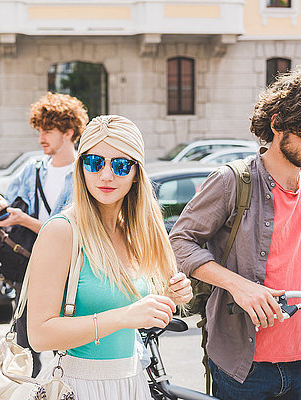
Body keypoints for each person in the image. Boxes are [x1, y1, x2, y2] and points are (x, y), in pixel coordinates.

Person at [169, 68, 301, 400]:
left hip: (300, 358)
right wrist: (239, 286)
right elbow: (180, 241)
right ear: (278, 122)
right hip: (242, 364)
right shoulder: (232, 181)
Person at [27, 115, 193, 399]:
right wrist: (124, 317)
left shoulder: (136, 232)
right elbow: (40, 335)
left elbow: (132, 304)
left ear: (136, 173)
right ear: (81, 169)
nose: (106, 175)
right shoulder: (62, 231)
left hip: (132, 382)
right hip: (79, 386)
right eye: (95, 163)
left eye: (120, 165)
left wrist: (173, 295)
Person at [0, 91, 89, 375]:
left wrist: (27, 221)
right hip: (29, 271)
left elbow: (78, 233)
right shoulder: (31, 170)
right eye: (39, 130)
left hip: (71, 271)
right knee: (26, 348)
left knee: (67, 347)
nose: (41, 137)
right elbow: (8, 209)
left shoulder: (84, 172)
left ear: (69, 131)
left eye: (49, 131)